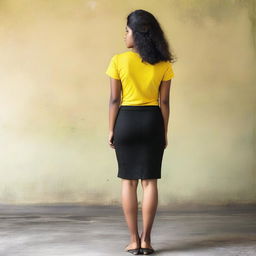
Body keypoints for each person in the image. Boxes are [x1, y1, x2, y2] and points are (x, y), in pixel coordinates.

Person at [105, 9, 176, 255]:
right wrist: (164, 132)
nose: (124, 35)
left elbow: (115, 100)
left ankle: (133, 240)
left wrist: (111, 130)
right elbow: (164, 102)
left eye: (127, 31)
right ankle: (147, 240)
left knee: (128, 182)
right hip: (152, 122)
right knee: (149, 182)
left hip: (126, 122)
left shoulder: (118, 60)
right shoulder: (164, 63)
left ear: (137, 34)